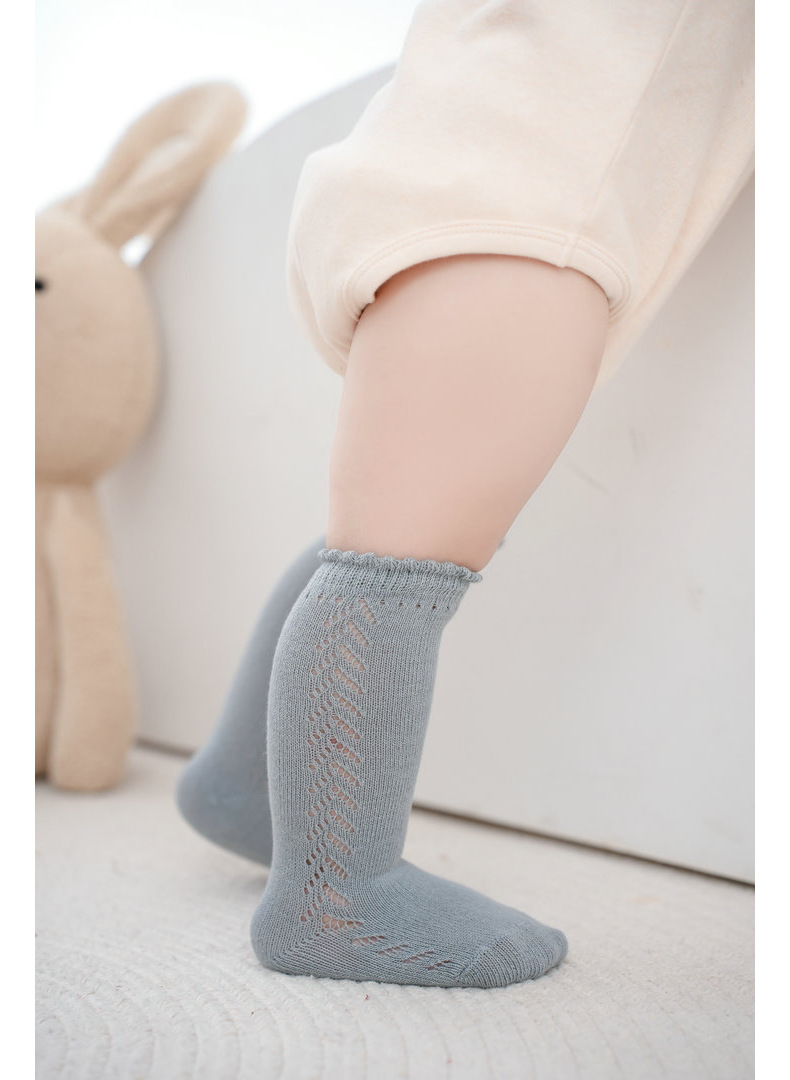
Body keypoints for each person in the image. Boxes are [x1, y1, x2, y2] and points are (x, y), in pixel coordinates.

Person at [177, 0, 754, 988]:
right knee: (400, 562)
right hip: (531, 199)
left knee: (394, 523)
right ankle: (335, 896)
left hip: (457, 164)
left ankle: (248, 785)